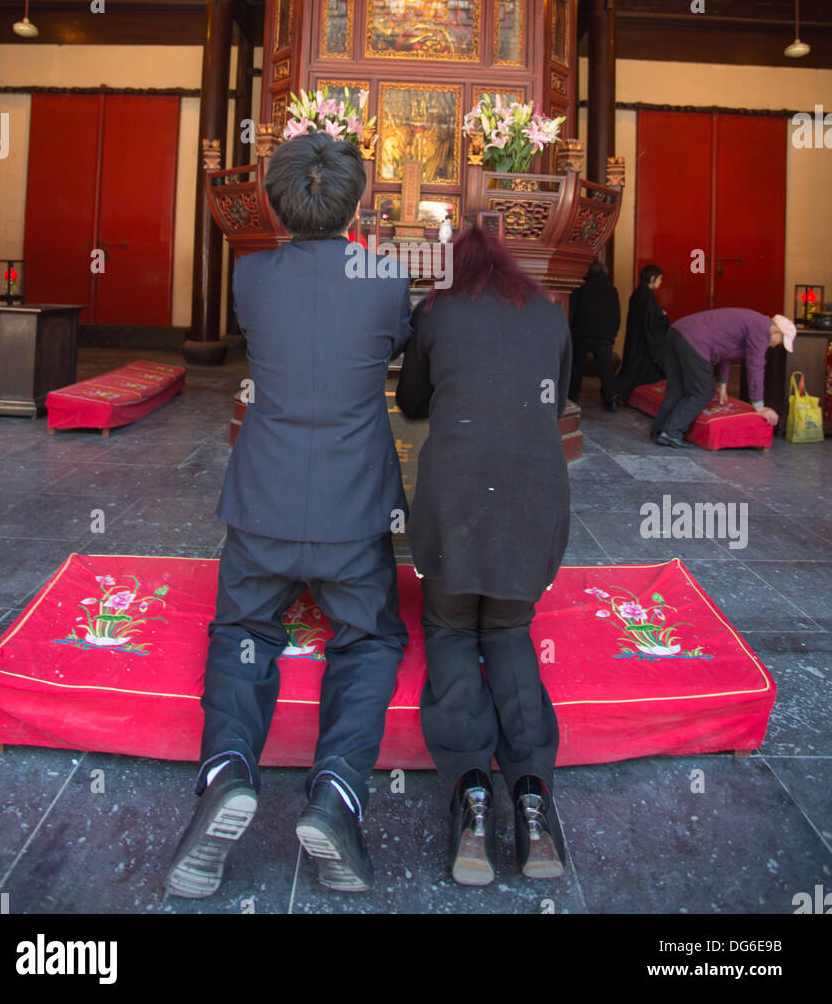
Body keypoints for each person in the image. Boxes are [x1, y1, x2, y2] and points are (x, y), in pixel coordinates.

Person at [165, 132, 411, 897]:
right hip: (353, 513)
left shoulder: (250, 277)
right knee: (369, 639)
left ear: (274, 199)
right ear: (358, 202)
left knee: (242, 632)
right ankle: (336, 797)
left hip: (263, 506)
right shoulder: (387, 279)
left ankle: (226, 777)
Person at [396, 224, 571, 886]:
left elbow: (412, 404)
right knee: (507, 629)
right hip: (535, 492)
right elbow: (555, 399)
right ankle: (531, 799)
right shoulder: (549, 314)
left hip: (455, 491)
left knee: (446, 626)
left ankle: (472, 793)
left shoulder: (435, 310)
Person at [652, 308, 796, 448]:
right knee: (702, 393)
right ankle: (671, 432)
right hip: (694, 339)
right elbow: (755, 367)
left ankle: (659, 431)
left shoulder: (753, 322)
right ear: (776, 331)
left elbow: (725, 353)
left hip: (677, 332)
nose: (774, 346)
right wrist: (759, 405)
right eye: (780, 342)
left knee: (677, 388)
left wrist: (722, 383)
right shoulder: (761, 330)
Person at [568, 257, 621, 411]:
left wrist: (571, 329)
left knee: (577, 365)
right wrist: (613, 333)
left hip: (582, 332)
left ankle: (573, 396)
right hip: (604, 334)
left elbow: (573, 310)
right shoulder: (611, 289)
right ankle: (611, 399)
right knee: (605, 367)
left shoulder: (581, 286)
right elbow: (616, 314)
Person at [615, 264, 669, 402]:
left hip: (635, 338)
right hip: (644, 343)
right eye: (660, 278)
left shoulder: (638, 293)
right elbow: (652, 322)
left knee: (632, 369)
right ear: (652, 278)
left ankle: (617, 394)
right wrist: (664, 317)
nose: (661, 281)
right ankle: (617, 394)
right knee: (638, 371)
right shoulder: (648, 295)